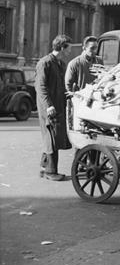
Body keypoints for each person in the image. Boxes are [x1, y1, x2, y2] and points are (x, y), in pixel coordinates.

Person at [35, 34, 72, 181]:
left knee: (53, 136)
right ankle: (51, 171)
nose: (70, 51)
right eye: (68, 48)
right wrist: (48, 106)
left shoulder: (61, 64)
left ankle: (44, 167)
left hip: (58, 105)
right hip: (48, 107)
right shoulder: (45, 63)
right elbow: (41, 87)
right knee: (51, 137)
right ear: (62, 47)